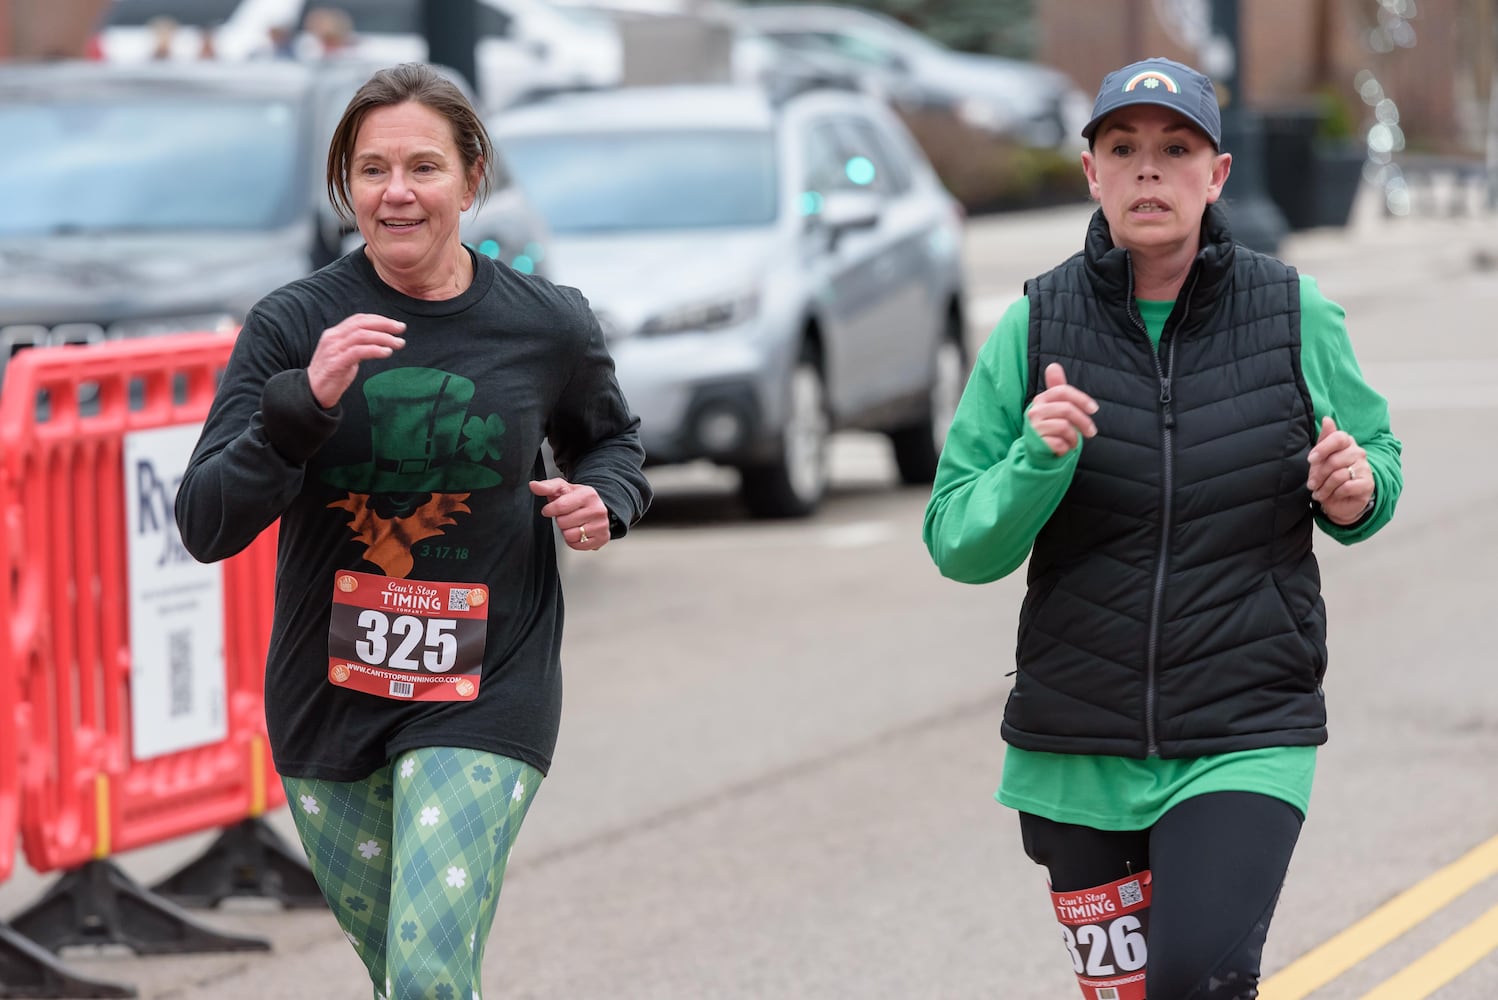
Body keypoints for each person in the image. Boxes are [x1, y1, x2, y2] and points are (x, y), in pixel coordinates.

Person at [923, 57, 1401, 999]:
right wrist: (1037, 461)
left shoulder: (1294, 311)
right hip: (1077, 745)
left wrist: (1355, 491)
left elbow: (1374, 457)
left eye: (1175, 149)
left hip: (1245, 727)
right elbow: (957, 541)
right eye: (1124, 149)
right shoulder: (1034, 323)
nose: (1149, 171)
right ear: (1091, 172)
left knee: (1198, 982)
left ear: (1216, 175)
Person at [175, 63, 651, 1000]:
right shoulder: (293, 325)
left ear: (473, 181)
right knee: (405, 974)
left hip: (489, 683)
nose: (397, 193)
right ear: (344, 186)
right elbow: (205, 521)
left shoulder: (546, 324)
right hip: (329, 696)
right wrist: (300, 406)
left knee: (428, 966)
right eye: (371, 170)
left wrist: (608, 499)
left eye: (424, 167)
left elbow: (613, 444)